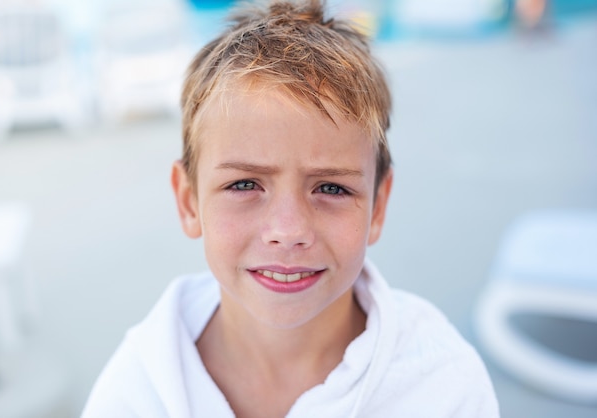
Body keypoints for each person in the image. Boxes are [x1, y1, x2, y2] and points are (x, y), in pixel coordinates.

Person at [82, 1, 499, 416]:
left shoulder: (442, 386)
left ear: (378, 205)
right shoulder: (136, 391)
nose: (289, 228)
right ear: (189, 200)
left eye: (331, 188)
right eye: (244, 184)